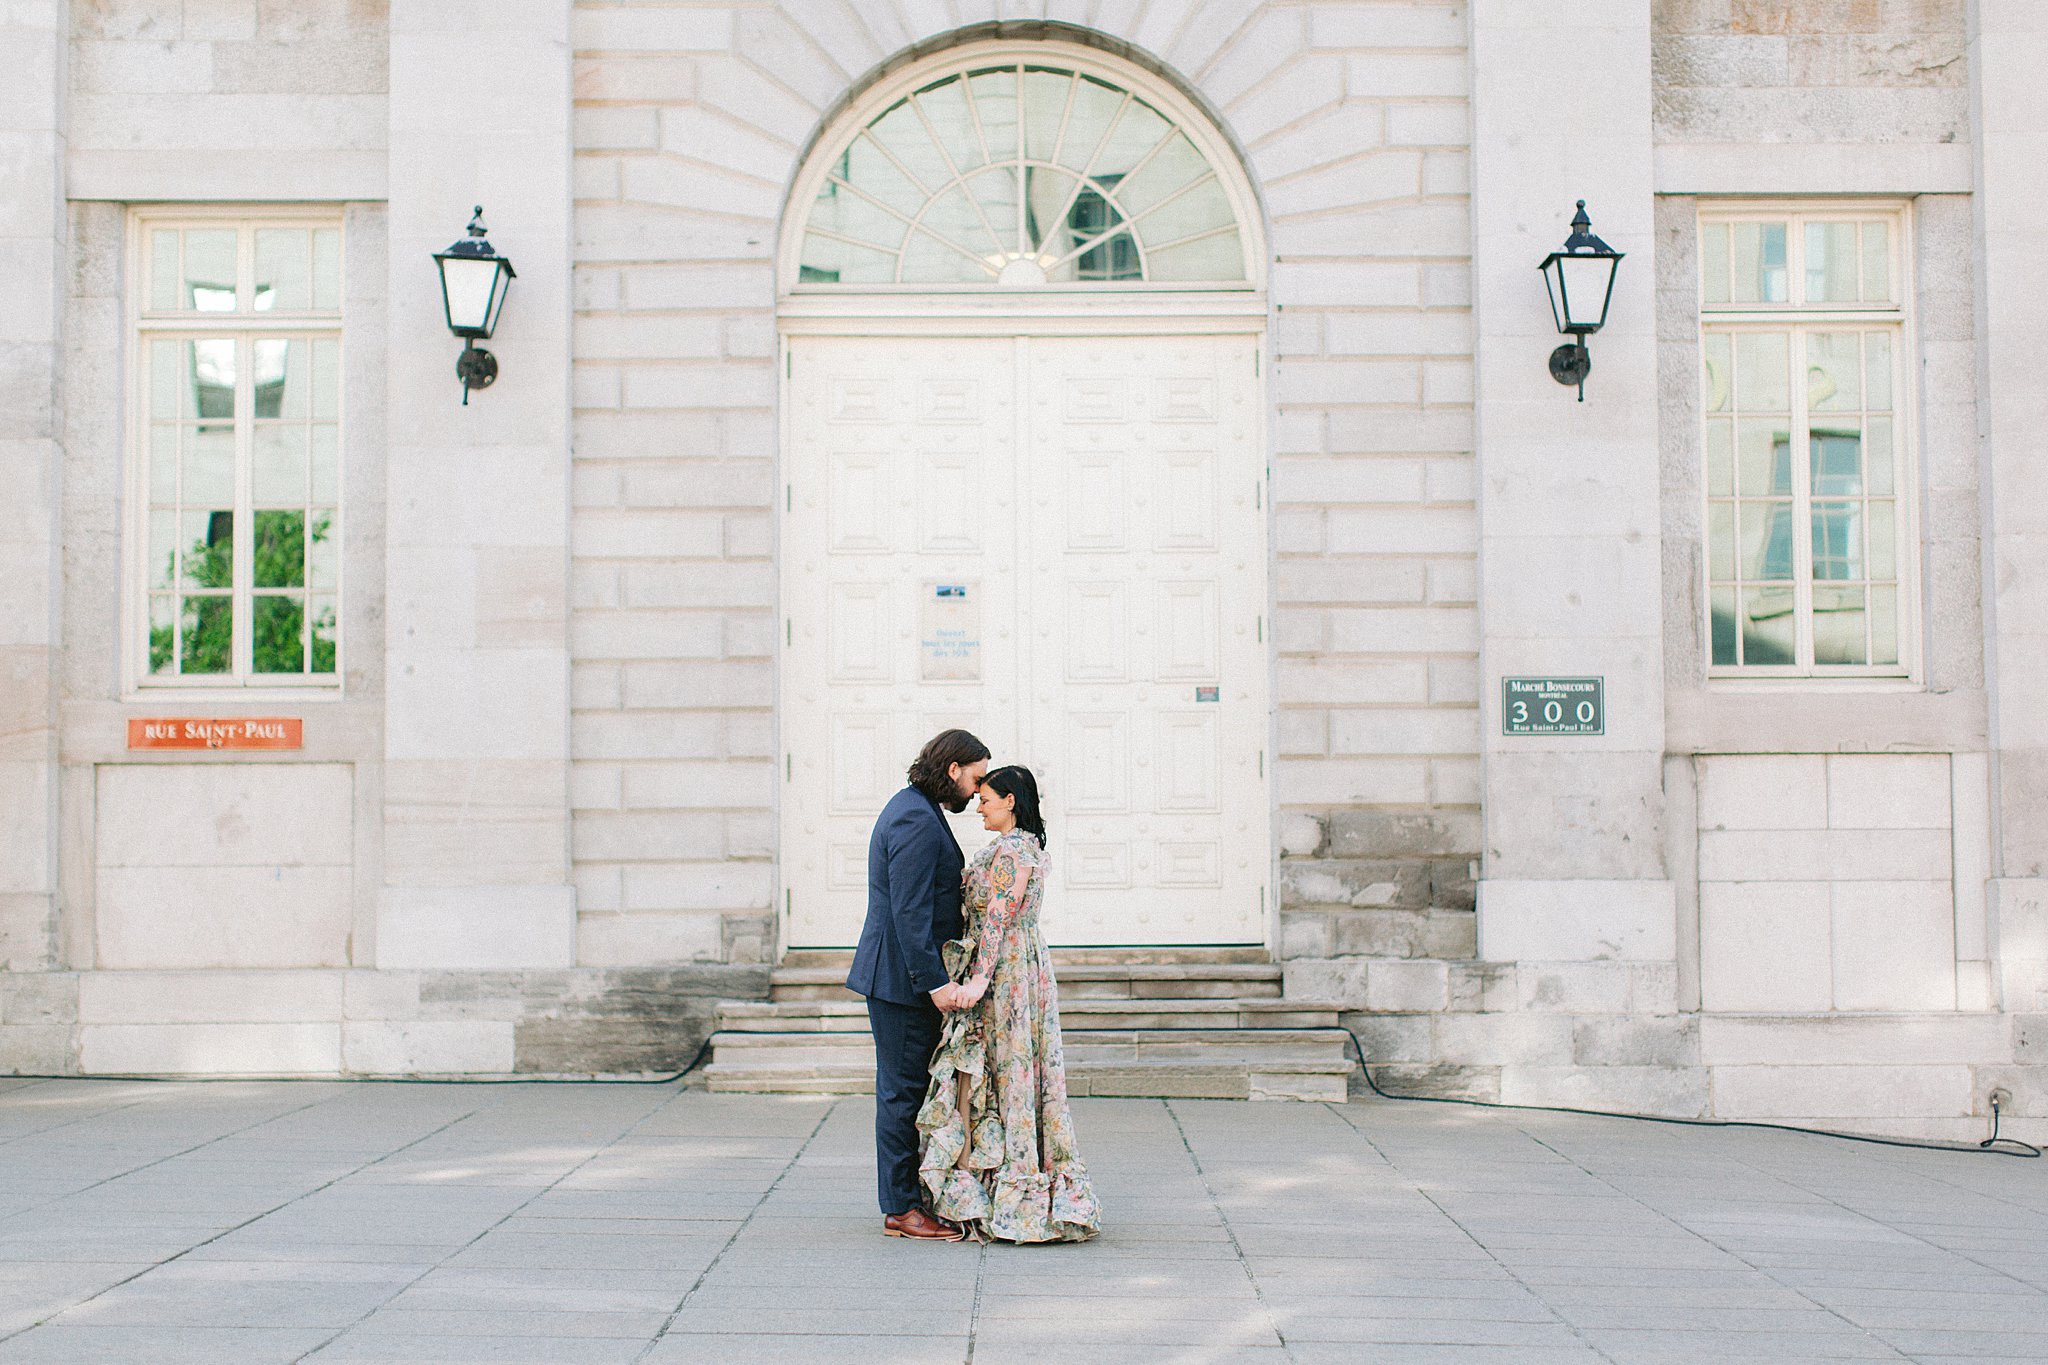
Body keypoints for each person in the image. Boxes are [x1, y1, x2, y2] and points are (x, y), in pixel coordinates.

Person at [916, 765, 1100, 1243]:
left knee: (1011, 1071)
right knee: (1003, 1073)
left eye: (986, 798)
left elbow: (998, 917)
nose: (978, 806)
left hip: (1008, 973)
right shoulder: (1016, 848)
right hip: (1012, 966)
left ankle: (1013, 1194)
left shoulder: (1015, 850)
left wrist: (977, 981)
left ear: (1010, 801)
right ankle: (996, 1187)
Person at [846, 728, 989, 1242]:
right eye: (975, 779)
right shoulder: (912, 816)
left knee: (908, 1090)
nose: (977, 791)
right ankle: (902, 1209)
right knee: (902, 1094)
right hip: (900, 982)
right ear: (953, 769)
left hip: (901, 977)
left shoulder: (917, 809)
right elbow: (909, 912)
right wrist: (934, 984)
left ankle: (910, 1198)